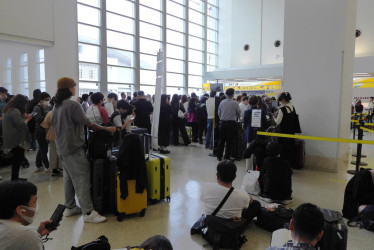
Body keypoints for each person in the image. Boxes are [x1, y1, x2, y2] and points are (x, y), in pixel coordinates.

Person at [51, 77, 116, 223]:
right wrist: (107, 129)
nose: (75, 89)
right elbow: (88, 123)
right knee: (82, 179)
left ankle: (70, 207)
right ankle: (88, 213)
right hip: (73, 148)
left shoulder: (57, 105)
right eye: (73, 87)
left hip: (62, 147)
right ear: (69, 89)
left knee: (68, 178)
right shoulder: (73, 105)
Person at [0, 181, 59, 250]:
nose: (36, 206)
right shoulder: (25, 234)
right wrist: (32, 237)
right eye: (34, 202)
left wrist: (38, 234)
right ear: (21, 210)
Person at [2, 95, 32, 181]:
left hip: (11, 138)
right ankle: (14, 178)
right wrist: (28, 119)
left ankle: (15, 177)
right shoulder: (14, 111)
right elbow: (21, 125)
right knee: (17, 159)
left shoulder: (8, 109)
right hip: (16, 139)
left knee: (17, 159)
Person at [217, 88, 241, 161]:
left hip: (223, 123)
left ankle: (219, 156)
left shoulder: (222, 102)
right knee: (229, 141)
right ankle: (227, 156)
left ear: (226, 94)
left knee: (221, 140)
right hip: (231, 124)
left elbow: (219, 113)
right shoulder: (235, 103)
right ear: (233, 94)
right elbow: (238, 113)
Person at [40, 103, 63, 177]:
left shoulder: (50, 113)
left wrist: (47, 136)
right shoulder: (64, 112)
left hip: (52, 134)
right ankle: (60, 168)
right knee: (61, 152)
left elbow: (46, 126)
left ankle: (54, 169)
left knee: (53, 152)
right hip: (62, 134)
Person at [275, 92, 297, 169]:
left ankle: (283, 166)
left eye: (281, 100)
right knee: (290, 149)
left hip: (283, 133)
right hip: (291, 133)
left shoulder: (282, 109)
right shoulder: (292, 107)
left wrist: (274, 118)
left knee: (283, 150)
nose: (280, 102)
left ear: (283, 100)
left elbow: (277, 122)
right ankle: (290, 166)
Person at [33, 92, 51, 173]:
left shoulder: (46, 107)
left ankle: (38, 165)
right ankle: (47, 166)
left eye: (48, 99)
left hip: (45, 130)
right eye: (46, 99)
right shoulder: (37, 108)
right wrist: (48, 116)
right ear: (41, 100)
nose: (47, 101)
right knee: (44, 149)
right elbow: (38, 119)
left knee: (41, 148)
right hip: (39, 131)